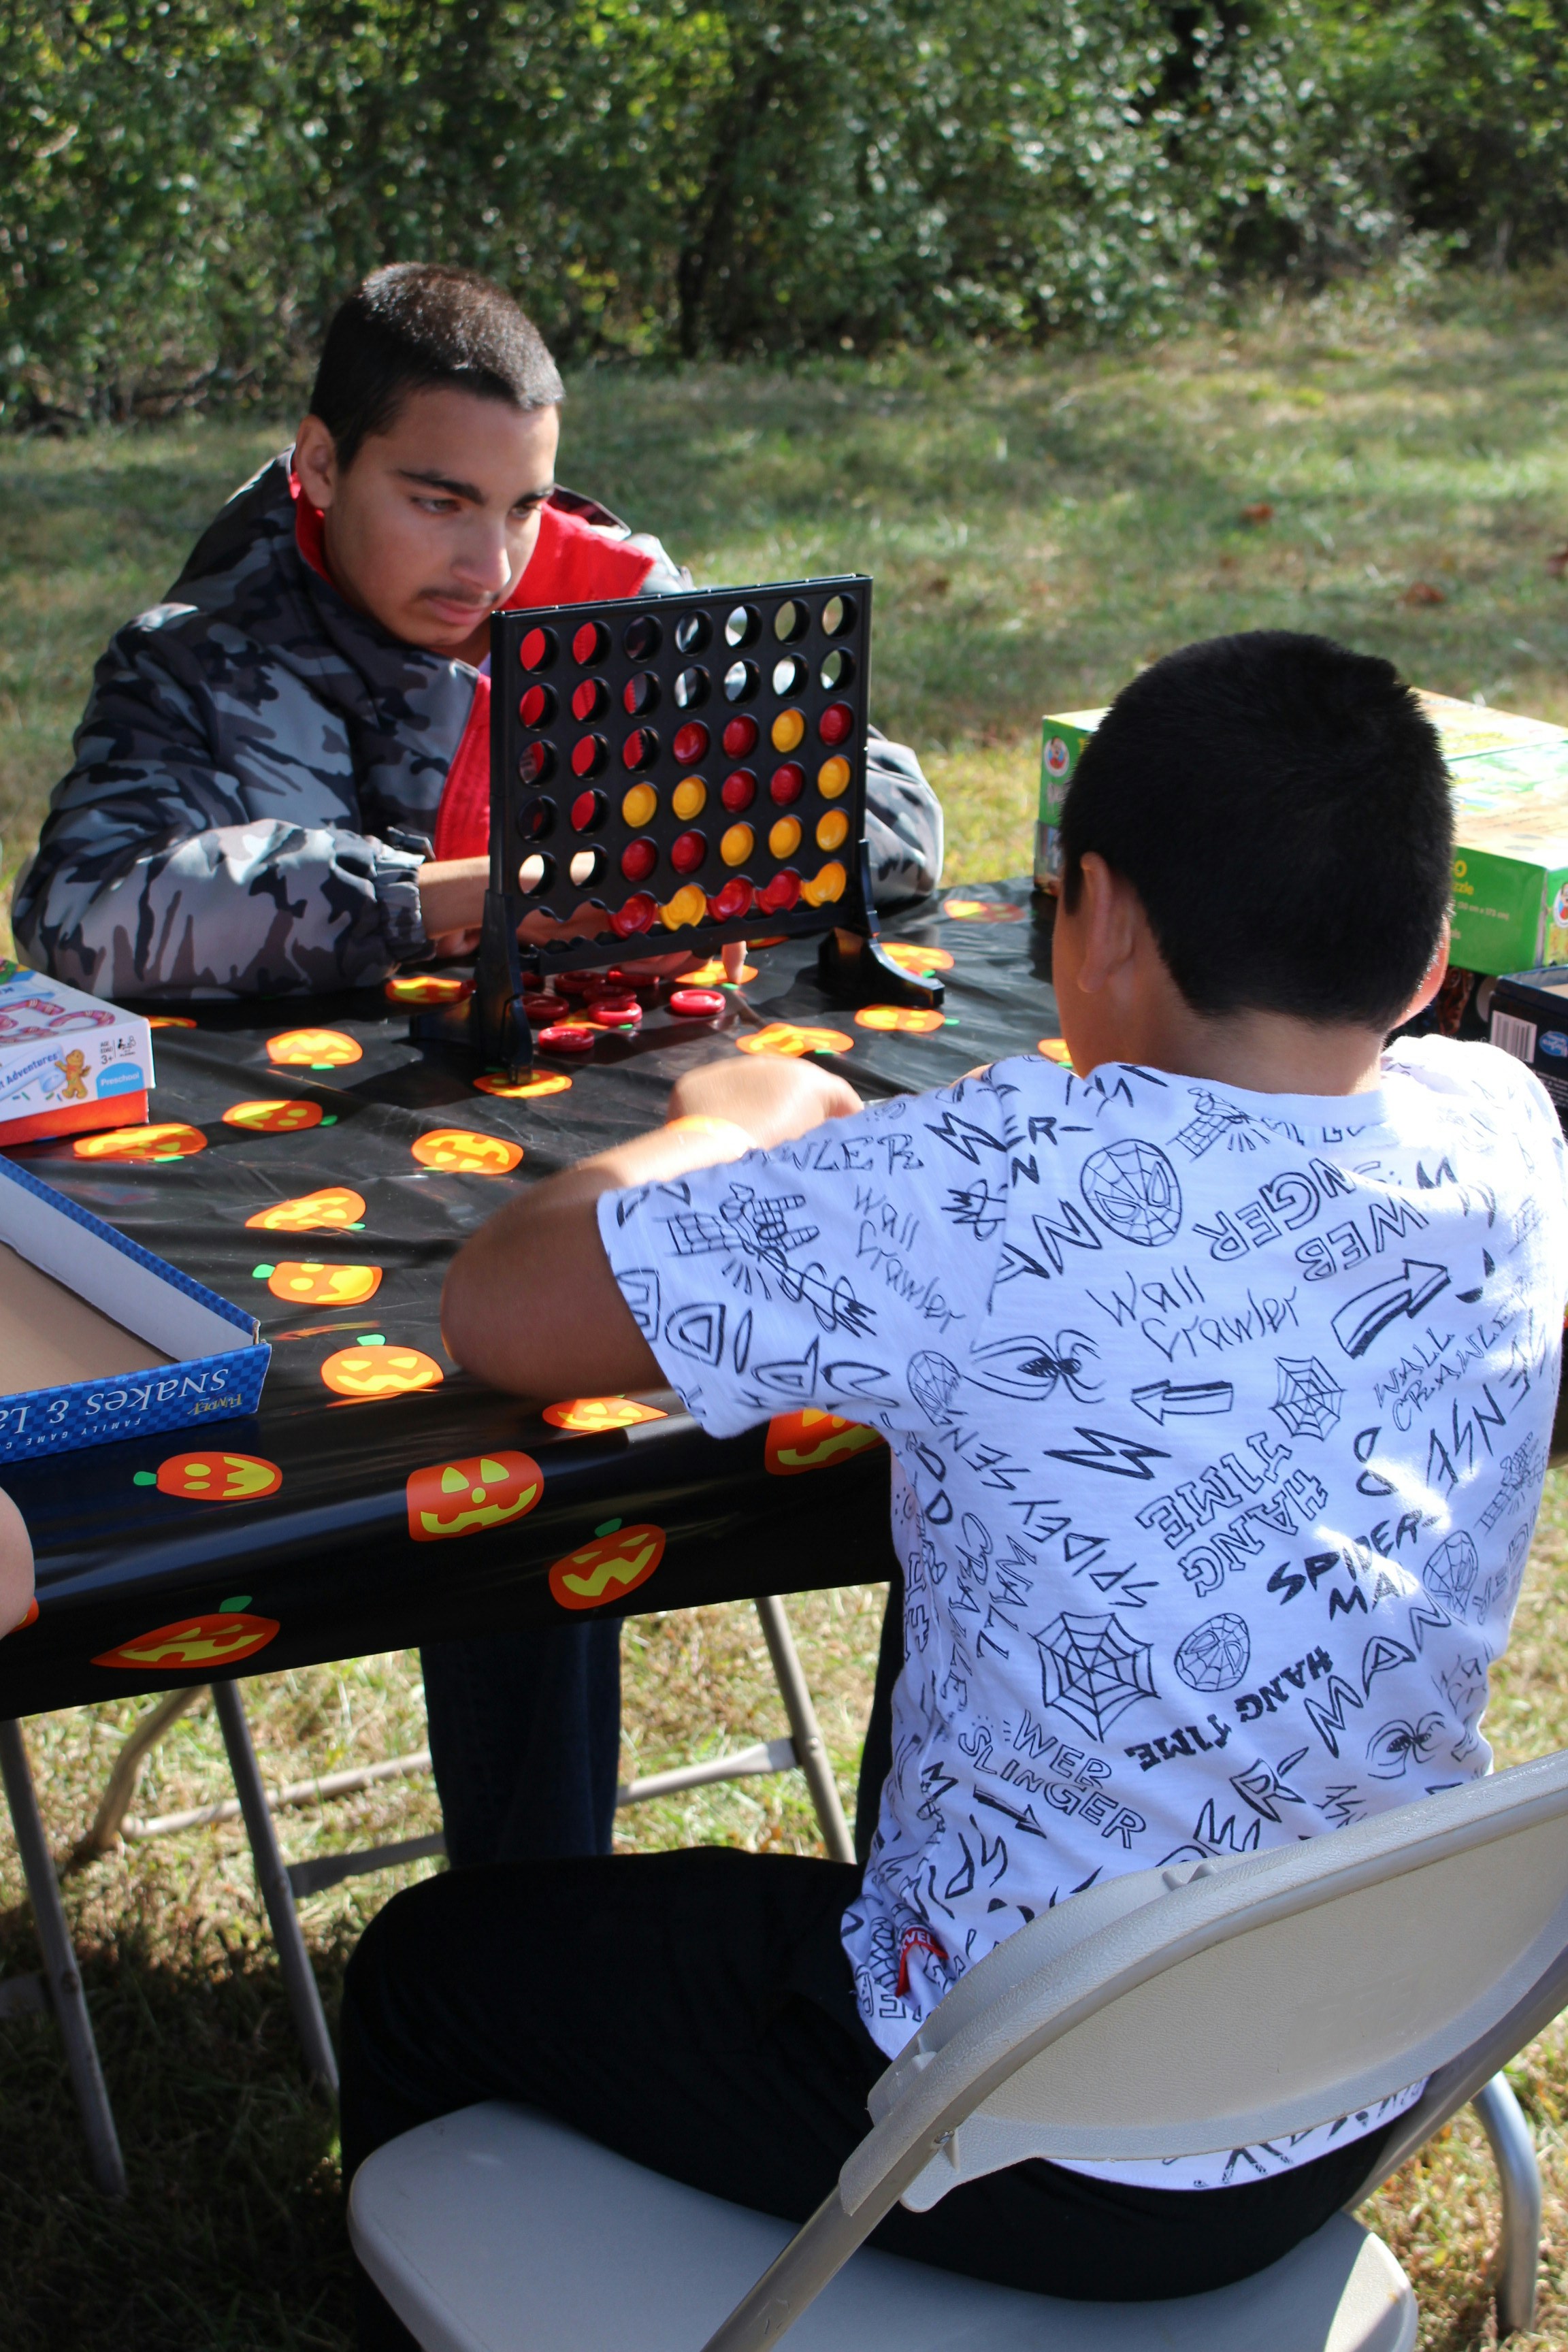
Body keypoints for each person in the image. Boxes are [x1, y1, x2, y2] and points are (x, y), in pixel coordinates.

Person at [338, 629, 1568, 2342]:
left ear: (1105, 917)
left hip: (1003, 2114)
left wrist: (734, 1113)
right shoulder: (1509, 1131)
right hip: (1357, 2075)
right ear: (1433, 956)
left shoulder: (992, 1176)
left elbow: (500, 1309)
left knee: (422, 1970)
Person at [14, 261, 944, 1882]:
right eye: (438, 500)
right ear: (318, 464)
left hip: (586, 1118)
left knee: (845, 1366)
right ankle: (532, 1922)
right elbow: (86, 915)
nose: (489, 559)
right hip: (299, 1176)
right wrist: (464, 891)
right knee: (501, 1412)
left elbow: (898, 831)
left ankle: (615, 1915)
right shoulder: (203, 655)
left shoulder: (599, 586)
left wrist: (704, 822)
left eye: (518, 505)